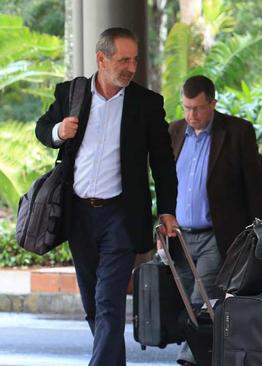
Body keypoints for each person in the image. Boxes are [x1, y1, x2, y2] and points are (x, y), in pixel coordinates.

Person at [34, 27, 178, 366]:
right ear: (102, 59)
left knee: (109, 301)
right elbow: (42, 128)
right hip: (79, 214)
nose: (131, 67)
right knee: (92, 305)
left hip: (120, 217)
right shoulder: (73, 94)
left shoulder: (146, 103)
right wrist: (59, 131)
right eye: (123, 60)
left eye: (135, 60)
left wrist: (167, 210)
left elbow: (162, 161)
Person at [167, 75, 262, 366]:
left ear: (213, 103)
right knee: (187, 301)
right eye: (186, 108)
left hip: (218, 235)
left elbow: (254, 188)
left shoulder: (237, 132)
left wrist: (256, 236)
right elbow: (165, 184)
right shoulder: (174, 133)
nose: (191, 115)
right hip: (180, 237)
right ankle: (208, 355)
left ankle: (189, 360)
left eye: (197, 108)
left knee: (204, 299)